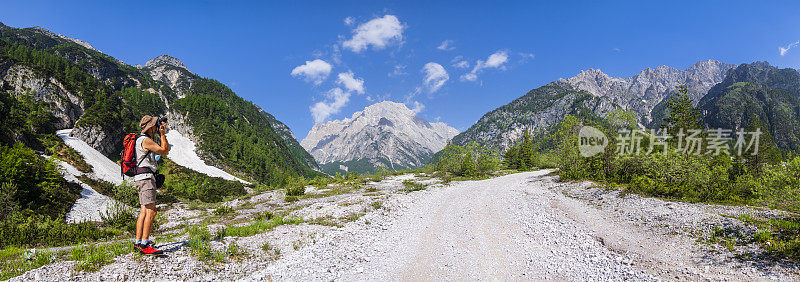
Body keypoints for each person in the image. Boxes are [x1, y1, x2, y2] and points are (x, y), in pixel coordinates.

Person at [133, 115, 170, 255]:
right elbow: (165, 150)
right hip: (146, 179)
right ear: (151, 127)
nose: (156, 127)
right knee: (152, 211)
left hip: (140, 178)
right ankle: (144, 244)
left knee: (143, 211)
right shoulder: (146, 140)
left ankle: (138, 242)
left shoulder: (139, 140)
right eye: (155, 125)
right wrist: (162, 134)